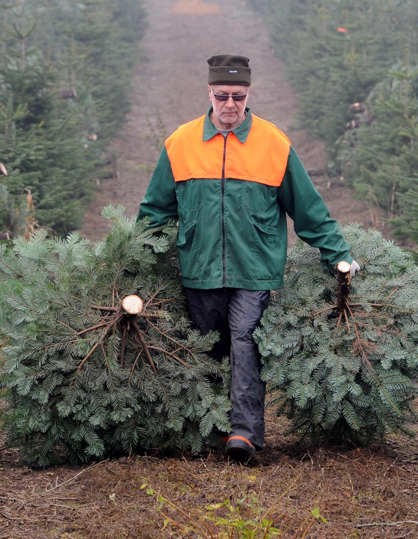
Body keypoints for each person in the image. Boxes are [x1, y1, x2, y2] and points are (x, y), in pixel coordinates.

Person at [137, 53, 358, 463]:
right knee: (207, 345)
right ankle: (209, 428)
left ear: (248, 94)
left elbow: (308, 208)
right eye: (222, 95)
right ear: (209, 92)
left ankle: (244, 433)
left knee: (244, 341)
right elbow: (155, 211)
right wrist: (134, 261)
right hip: (198, 267)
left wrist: (338, 255)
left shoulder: (274, 144)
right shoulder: (180, 143)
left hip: (254, 269)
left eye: (238, 96)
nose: (230, 105)